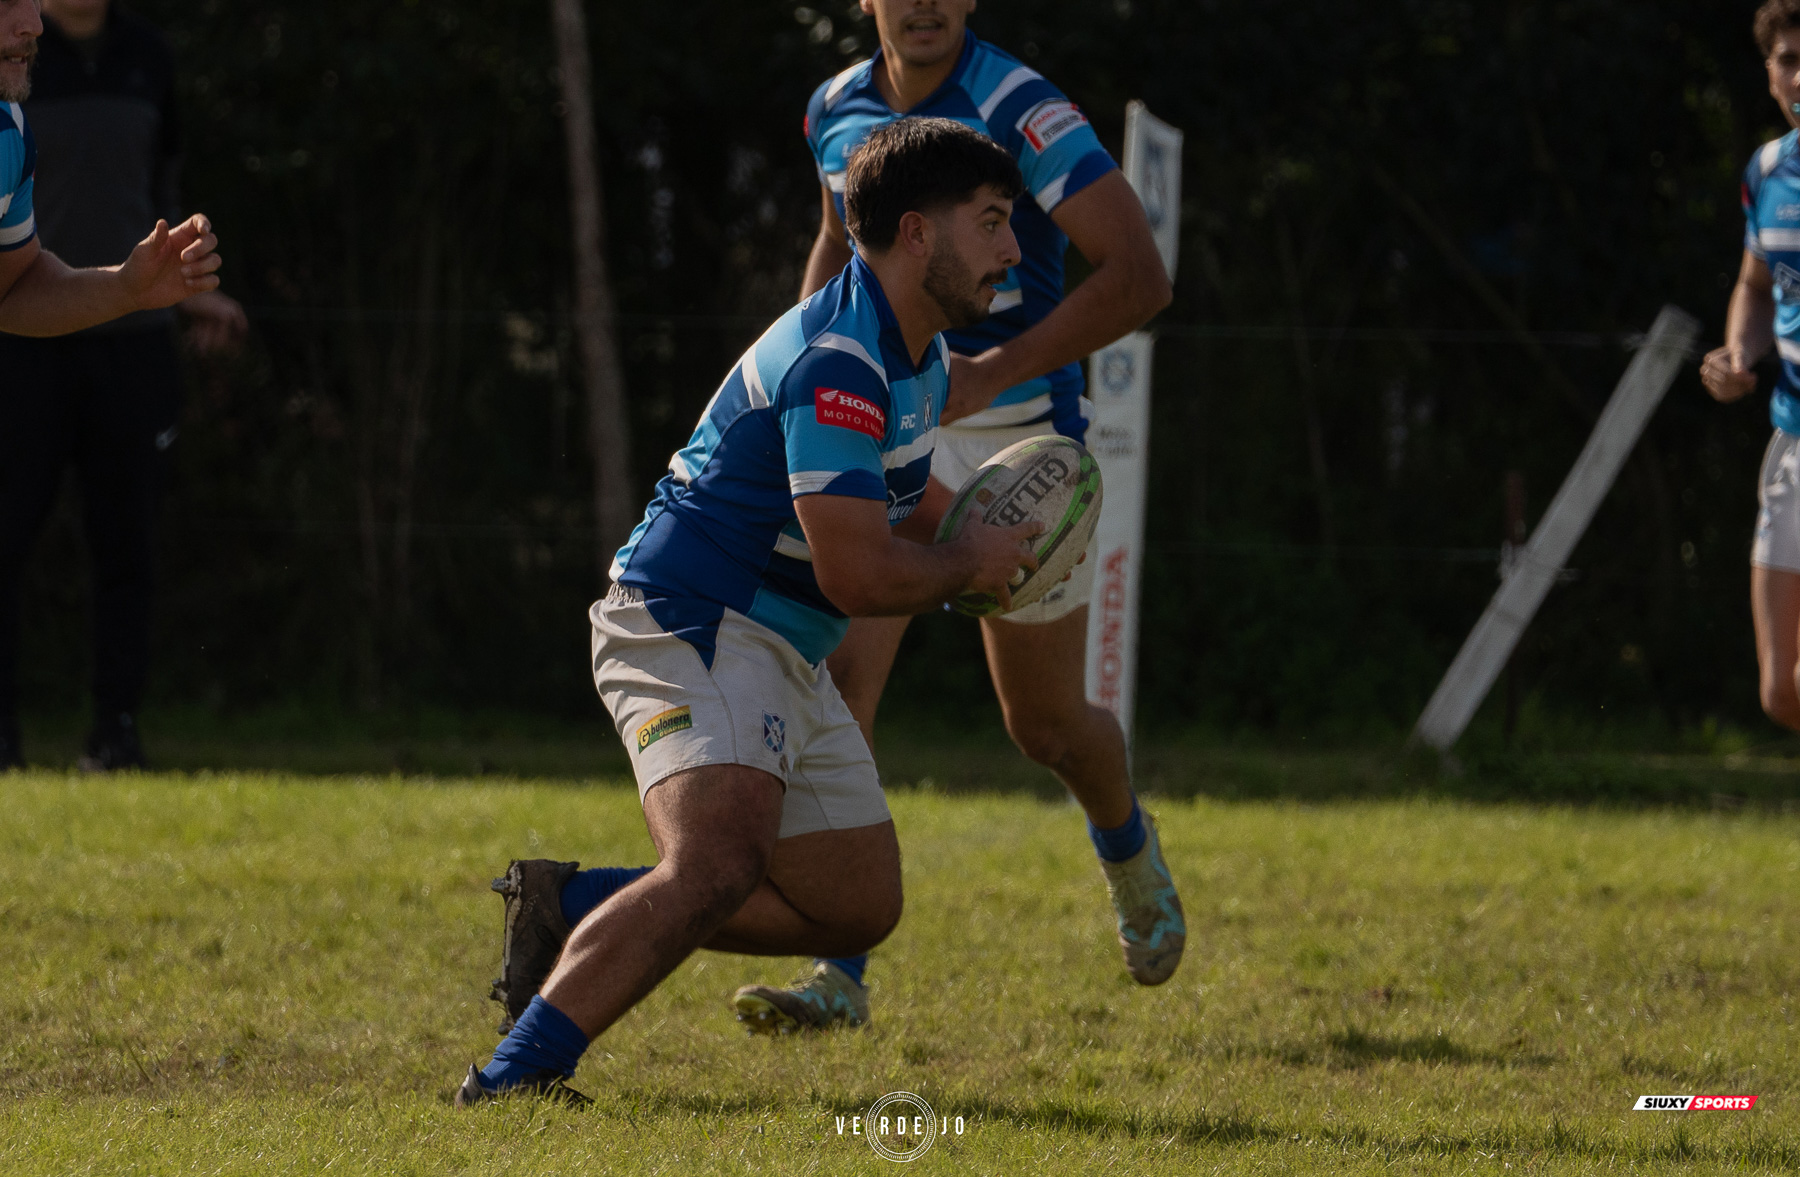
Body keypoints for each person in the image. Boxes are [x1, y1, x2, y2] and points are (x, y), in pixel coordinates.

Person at [458, 118, 1037, 1102]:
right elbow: (857, 574)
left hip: (773, 642)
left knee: (858, 905)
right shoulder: (840, 362)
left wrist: (995, 535)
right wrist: (965, 563)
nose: (1013, 249)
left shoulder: (918, 352)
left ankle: (571, 903)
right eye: (991, 222)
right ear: (917, 233)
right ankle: (514, 1078)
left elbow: (896, 497)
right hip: (692, 617)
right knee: (717, 863)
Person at [727, 0, 1183, 1031]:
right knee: (840, 687)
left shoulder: (1020, 105)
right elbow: (837, 247)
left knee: (1045, 727)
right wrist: (801, 370)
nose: (925, 4)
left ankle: (1128, 847)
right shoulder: (833, 107)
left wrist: (988, 374)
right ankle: (840, 968)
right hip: (889, 421)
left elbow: (1140, 275)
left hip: (1020, 444)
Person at [0, 0, 242, 772]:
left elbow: (13, 289)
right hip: (25, 370)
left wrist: (128, 287)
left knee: (126, 546)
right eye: (8, 4)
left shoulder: (8, 128)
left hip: (126, 351)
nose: (32, 24)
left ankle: (116, 731)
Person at [1703, 0, 1800, 732]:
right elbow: (1757, 286)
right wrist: (1740, 351)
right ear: (1769, 74)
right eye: (1789, 61)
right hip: (1792, 440)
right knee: (1781, 693)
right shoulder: (1766, 171)